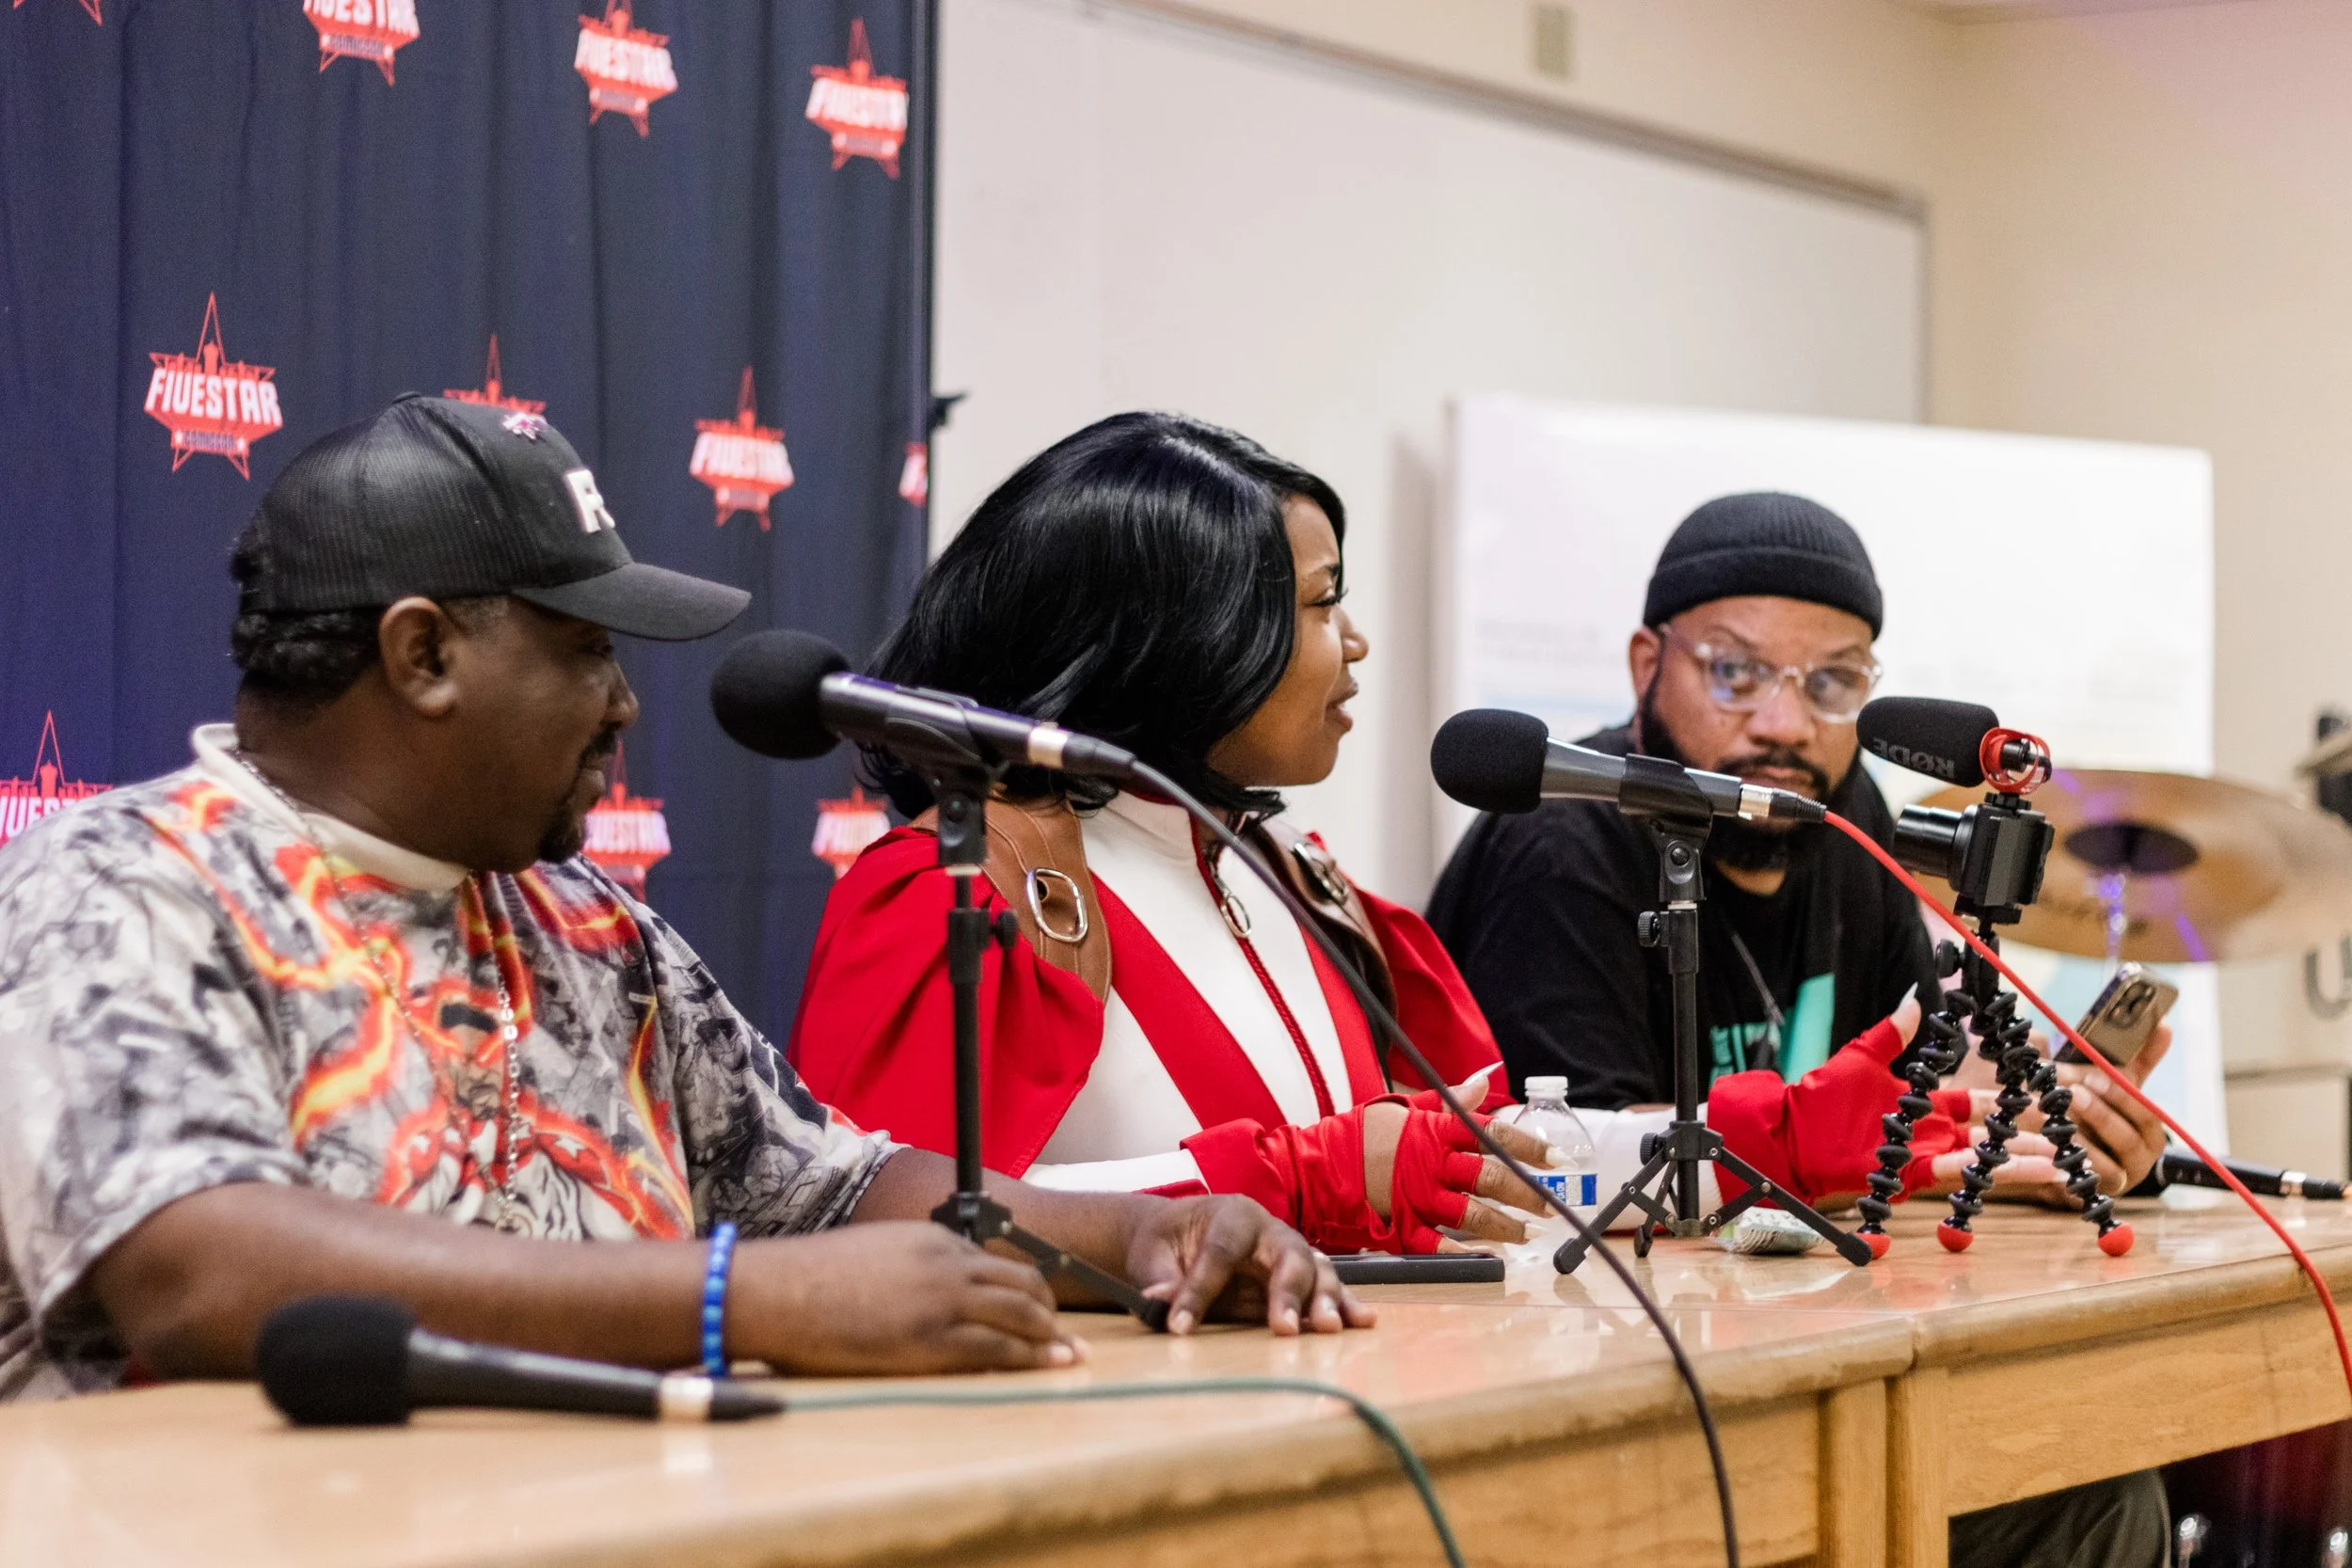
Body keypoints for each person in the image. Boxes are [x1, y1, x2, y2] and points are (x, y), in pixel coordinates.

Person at [0, 397, 1365, 1404]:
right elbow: (196, 1265)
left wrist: (1136, 1233)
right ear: (421, 653)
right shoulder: (125, 884)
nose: (626, 702)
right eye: (588, 650)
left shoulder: (585, 921)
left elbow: (826, 1187)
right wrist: (733, 1298)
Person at [788, 418, 1978, 1253]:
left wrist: (1753, 1138)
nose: (1354, 642)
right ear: (1179, 632)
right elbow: (860, 1230)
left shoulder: (1283, 880)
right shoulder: (955, 885)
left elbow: (1494, 1177)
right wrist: (1287, 1183)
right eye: (1319, 602)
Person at [1426, 489, 2172, 1568]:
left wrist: (2061, 1133)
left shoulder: (1845, 818)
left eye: (1831, 683)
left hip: (1781, 1343)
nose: (1782, 723)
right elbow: (1565, 1161)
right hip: (1579, 1374)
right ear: (1648, 663)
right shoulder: (1560, 844)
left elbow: (1919, 1076)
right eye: (1734, 670)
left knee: (2096, 1489)